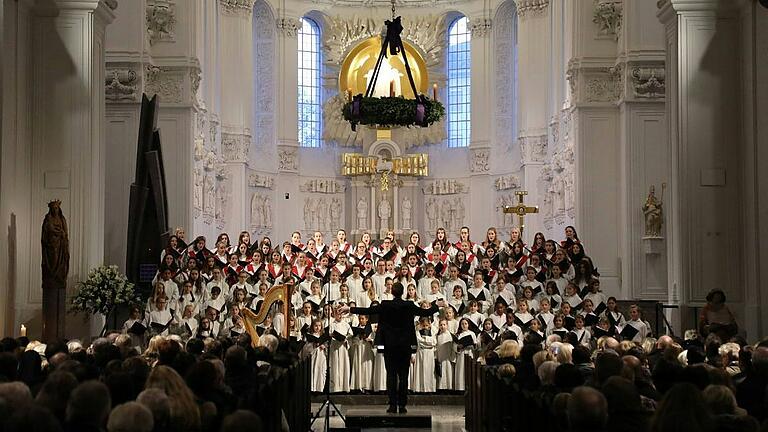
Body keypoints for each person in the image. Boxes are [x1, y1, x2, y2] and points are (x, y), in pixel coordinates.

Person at [339, 282, 442, 413]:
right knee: (404, 376)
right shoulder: (408, 305)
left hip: (390, 346)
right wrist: (436, 305)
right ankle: (403, 405)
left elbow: (369, 311)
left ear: (392, 292)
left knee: (391, 376)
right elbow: (424, 311)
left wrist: (350, 309)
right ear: (403, 292)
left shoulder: (385, 305)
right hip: (405, 346)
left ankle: (393, 405)